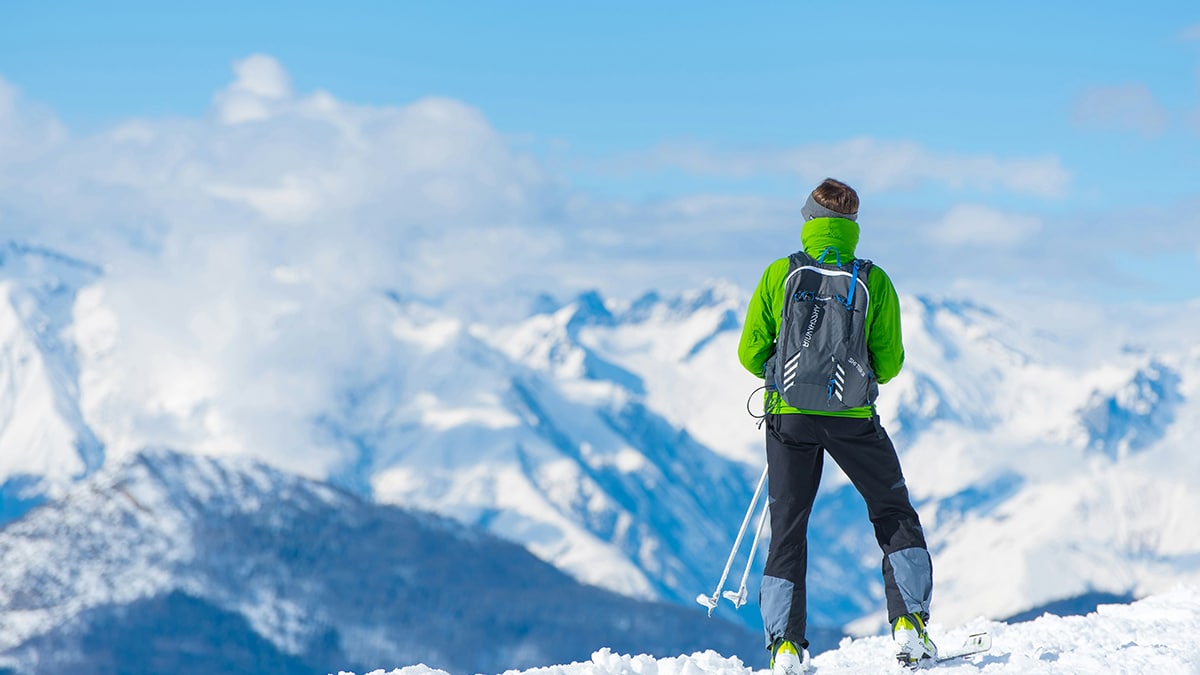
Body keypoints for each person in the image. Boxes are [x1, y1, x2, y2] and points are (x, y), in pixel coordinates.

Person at [737, 178, 935, 673]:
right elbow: (889, 364)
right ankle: (909, 623)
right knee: (891, 511)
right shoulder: (874, 280)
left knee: (788, 527)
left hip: (790, 418)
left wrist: (785, 374)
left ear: (808, 220)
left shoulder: (779, 275)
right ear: (853, 226)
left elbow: (748, 353)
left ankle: (785, 646)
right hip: (852, 418)